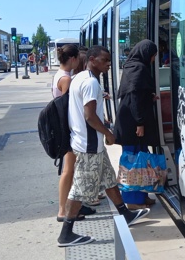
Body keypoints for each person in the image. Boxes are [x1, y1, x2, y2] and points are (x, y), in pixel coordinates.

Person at [58, 45, 149, 247]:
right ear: (91, 60)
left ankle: (125, 214)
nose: (109, 64)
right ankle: (66, 233)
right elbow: (89, 116)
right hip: (89, 146)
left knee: (108, 178)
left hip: (89, 143)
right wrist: (108, 133)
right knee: (80, 190)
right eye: (105, 60)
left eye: (109, 60)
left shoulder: (79, 77)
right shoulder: (90, 82)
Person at [114, 40, 160, 209]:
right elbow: (134, 98)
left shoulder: (132, 66)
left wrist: (149, 97)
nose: (153, 60)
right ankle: (132, 201)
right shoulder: (139, 69)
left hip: (132, 120)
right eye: (153, 56)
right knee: (133, 161)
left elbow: (138, 95)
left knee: (142, 159)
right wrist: (140, 123)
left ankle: (142, 196)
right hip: (132, 124)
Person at [52, 43, 95, 222]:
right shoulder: (66, 79)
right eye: (78, 58)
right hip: (67, 130)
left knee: (71, 170)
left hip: (64, 129)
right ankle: (63, 210)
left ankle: (71, 206)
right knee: (68, 170)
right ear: (73, 59)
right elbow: (68, 107)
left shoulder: (61, 75)